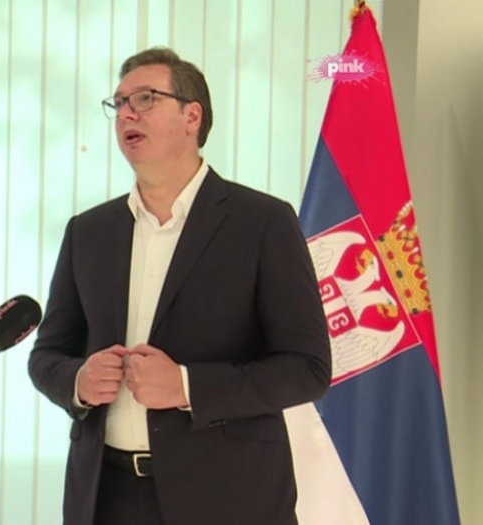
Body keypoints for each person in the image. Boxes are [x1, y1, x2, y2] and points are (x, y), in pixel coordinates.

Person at [27, 47, 331, 525]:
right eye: (119, 103)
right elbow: (47, 355)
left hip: (228, 499)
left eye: (145, 98)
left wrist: (187, 386)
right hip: (106, 498)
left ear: (193, 116)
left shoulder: (262, 222)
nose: (127, 113)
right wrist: (79, 382)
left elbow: (307, 369)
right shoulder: (88, 232)